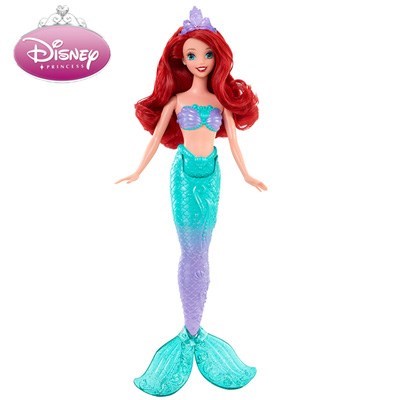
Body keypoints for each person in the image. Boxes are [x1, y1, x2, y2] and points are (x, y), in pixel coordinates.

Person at [116, 7, 267, 396]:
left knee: (204, 248)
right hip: (183, 176)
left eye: (207, 54)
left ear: (218, 58)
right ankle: (190, 332)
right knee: (191, 250)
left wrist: (248, 175)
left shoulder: (219, 102)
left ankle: (196, 330)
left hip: (211, 175)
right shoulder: (178, 100)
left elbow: (234, 143)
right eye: (192, 55)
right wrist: (136, 171)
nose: (200, 61)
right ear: (181, 61)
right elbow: (155, 139)